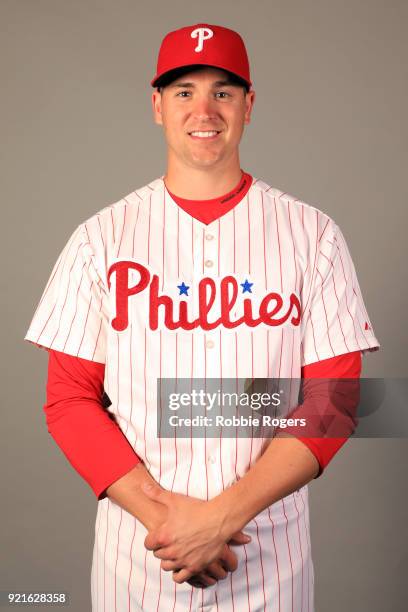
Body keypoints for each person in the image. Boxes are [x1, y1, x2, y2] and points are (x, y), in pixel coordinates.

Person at [24, 23, 380, 611]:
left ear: (249, 104)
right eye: (184, 90)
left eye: (223, 90)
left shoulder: (312, 235)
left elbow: (334, 399)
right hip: (141, 558)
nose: (204, 108)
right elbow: (69, 400)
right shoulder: (101, 238)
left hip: (270, 558)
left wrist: (222, 518)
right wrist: (169, 521)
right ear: (157, 105)